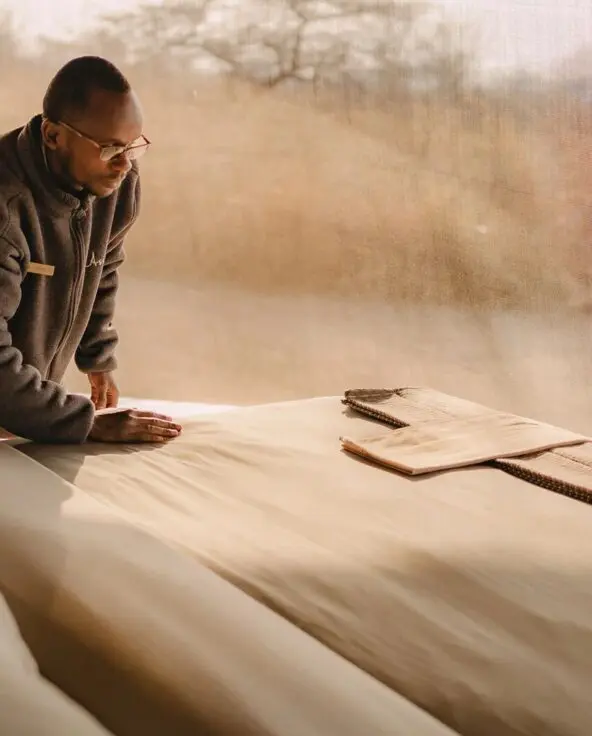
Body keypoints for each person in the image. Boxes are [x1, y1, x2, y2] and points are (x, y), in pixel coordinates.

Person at [0, 55, 182, 443]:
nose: (123, 165)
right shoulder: (6, 208)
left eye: (133, 146)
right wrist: (83, 423)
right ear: (53, 136)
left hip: (21, 409)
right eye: (109, 149)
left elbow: (102, 266)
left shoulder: (115, 181)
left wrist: (97, 357)